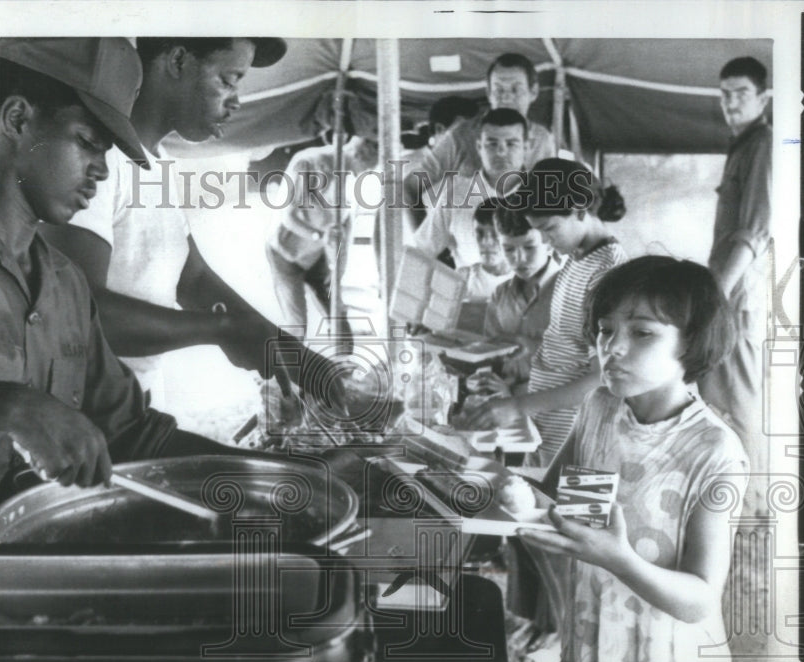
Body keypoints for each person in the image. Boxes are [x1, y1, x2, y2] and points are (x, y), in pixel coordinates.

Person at [0, 38, 252, 492]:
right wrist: (8, 407)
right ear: (17, 119)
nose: (102, 171)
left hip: (32, 555)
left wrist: (286, 476)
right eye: (88, 143)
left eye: (106, 152)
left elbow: (136, 435)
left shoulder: (65, 287)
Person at [41, 37, 344, 416]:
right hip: (76, 424)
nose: (236, 100)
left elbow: (195, 278)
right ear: (179, 60)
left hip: (134, 413)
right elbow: (79, 311)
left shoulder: (158, 163)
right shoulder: (97, 159)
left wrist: (309, 366)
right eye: (228, 80)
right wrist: (219, 329)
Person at [517, 256, 748, 662]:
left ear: (691, 343)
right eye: (606, 330)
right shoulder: (601, 407)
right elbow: (558, 503)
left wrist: (620, 560)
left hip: (665, 660)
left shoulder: (714, 450)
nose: (612, 348)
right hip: (593, 637)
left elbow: (699, 601)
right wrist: (496, 486)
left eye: (642, 333)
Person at [460, 158, 628, 466]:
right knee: (529, 502)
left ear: (580, 209)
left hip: (577, 434)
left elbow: (603, 377)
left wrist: (517, 406)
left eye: (550, 229)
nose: (547, 241)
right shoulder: (577, 261)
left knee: (565, 511)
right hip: (546, 424)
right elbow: (575, 348)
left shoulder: (608, 272)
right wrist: (529, 348)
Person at [698, 56, 771, 485]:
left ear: (762, 97)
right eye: (725, 94)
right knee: (718, 404)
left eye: (741, 94)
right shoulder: (742, 144)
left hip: (738, 301)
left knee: (739, 410)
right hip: (727, 295)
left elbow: (753, 233)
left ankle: (753, 516)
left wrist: (716, 295)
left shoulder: (763, 143)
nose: (731, 102)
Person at [404, 53, 557, 227]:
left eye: (515, 90)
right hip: (470, 244)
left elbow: (549, 201)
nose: (506, 98)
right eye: (499, 90)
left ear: (533, 92)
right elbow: (409, 187)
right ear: (489, 93)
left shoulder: (543, 140)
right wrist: (427, 236)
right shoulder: (461, 136)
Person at [265, 131, 379, 338]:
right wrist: (319, 236)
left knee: (341, 328)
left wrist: (337, 281)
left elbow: (344, 235)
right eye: (369, 167)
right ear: (361, 153)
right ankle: (283, 367)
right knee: (297, 325)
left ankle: (344, 365)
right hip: (285, 253)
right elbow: (288, 216)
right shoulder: (308, 162)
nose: (369, 172)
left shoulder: (351, 182)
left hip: (317, 258)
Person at [412, 108, 528, 271]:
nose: (501, 152)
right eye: (492, 144)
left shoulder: (543, 195)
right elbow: (421, 253)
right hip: (468, 294)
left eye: (511, 144)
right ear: (479, 147)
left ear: (526, 147)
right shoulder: (455, 193)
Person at [482, 206, 561, 387]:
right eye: (508, 249)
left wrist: (531, 345)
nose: (519, 258)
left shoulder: (570, 289)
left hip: (553, 402)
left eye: (529, 247)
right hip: (506, 396)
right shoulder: (499, 295)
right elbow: (491, 354)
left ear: (548, 241)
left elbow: (582, 360)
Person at [456, 199, 514, 301]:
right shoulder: (463, 278)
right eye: (480, 233)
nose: (486, 242)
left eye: (495, 233)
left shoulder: (526, 280)